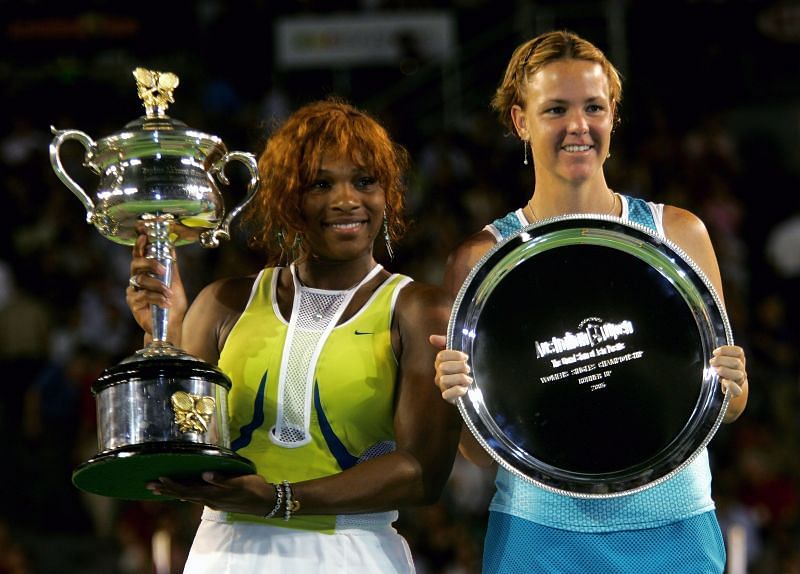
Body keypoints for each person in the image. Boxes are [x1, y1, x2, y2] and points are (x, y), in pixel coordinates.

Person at [430, 30, 749, 573]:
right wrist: (457, 400)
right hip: (537, 539)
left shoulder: (679, 235)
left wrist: (734, 386)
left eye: (594, 108)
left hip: (675, 533)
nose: (578, 126)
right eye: (556, 109)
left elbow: (725, 406)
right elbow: (481, 452)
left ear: (613, 117)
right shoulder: (479, 260)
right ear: (519, 120)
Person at [126, 98, 462, 573]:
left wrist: (281, 500)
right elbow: (174, 443)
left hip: (352, 552)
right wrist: (162, 333)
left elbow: (422, 474)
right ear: (288, 198)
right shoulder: (223, 303)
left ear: (387, 193)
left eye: (364, 181)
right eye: (321, 184)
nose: (346, 199)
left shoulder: (419, 309)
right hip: (225, 551)